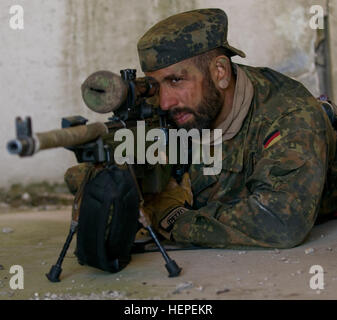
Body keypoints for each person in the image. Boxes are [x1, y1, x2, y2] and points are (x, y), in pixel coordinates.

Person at [138, 8, 337, 249]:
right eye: (154, 85)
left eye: (176, 81)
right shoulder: (176, 108)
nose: (164, 102)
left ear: (219, 72)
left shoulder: (289, 115)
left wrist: (172, 218)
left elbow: (281, 222)